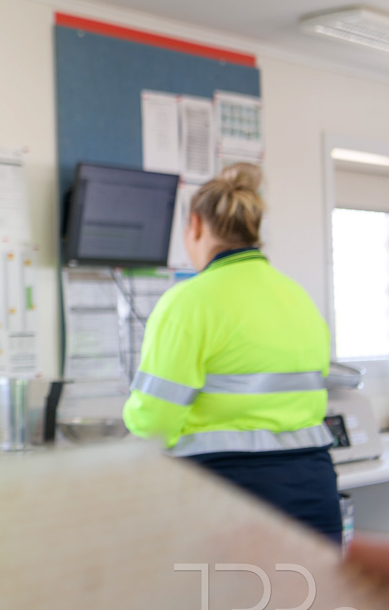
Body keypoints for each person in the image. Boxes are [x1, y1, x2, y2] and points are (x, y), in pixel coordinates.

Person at [123, 162, 341, 541]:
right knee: (307, 584)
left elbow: (154, 421)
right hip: (313, 487)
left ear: (195, 226)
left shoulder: (189, 301)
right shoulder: (297, 297)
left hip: (227, 490)